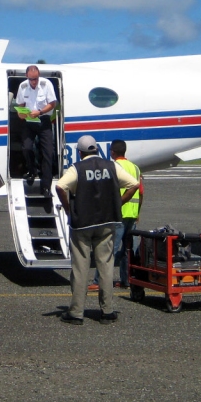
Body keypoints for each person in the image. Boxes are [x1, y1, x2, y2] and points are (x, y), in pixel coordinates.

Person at [55, 135, 138, 325]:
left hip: (82, 224)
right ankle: (107, 311)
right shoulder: (111, 166)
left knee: (80, 268)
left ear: (80, 152)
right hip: (106, 222)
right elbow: (134, 184)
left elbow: (60, 186)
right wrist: (118, 205)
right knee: (106, 266)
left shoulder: (77, 168)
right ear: (97, 150)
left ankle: (76, 312)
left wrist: (69, 209)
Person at [90, 139, 143, 290]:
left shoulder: (113, 166)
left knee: (109, 248)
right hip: (132, 214)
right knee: (127, 249)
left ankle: (98, 281)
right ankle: (126, 280)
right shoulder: (135, 168)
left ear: (112, 152)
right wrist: (138, 212)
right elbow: (141, 192)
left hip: (117, 214)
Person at [14, 65, 57, 196]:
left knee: (48, 153)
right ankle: (32, 171)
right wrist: (20, 113)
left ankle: (46, 186)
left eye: (36, 78)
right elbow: (20, 104)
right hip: (29, 121)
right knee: (26, 147)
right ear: (27, 77)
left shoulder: (46, 84)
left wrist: (39, 112)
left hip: (43, 120)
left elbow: (53, 103)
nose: (34, 81)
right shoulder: (22, 86)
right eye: (31, 79)